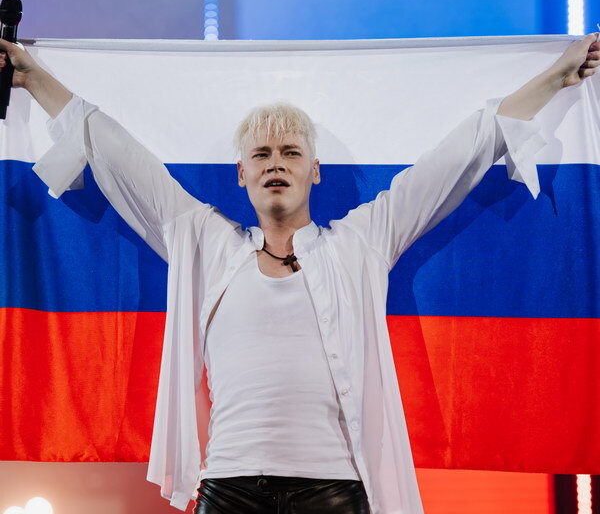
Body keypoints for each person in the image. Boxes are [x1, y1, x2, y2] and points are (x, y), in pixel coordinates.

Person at [0, 33, 598, 514]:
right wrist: (31, 77)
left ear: (315, 170)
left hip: (335, 491)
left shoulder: (360, 244)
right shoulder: (205, 243)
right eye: (261, 154)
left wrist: (555, 76)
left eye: (290, 153)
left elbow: (462, 153)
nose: (276, 164)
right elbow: (113, 151)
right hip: (229, 488)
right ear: (241, 174)